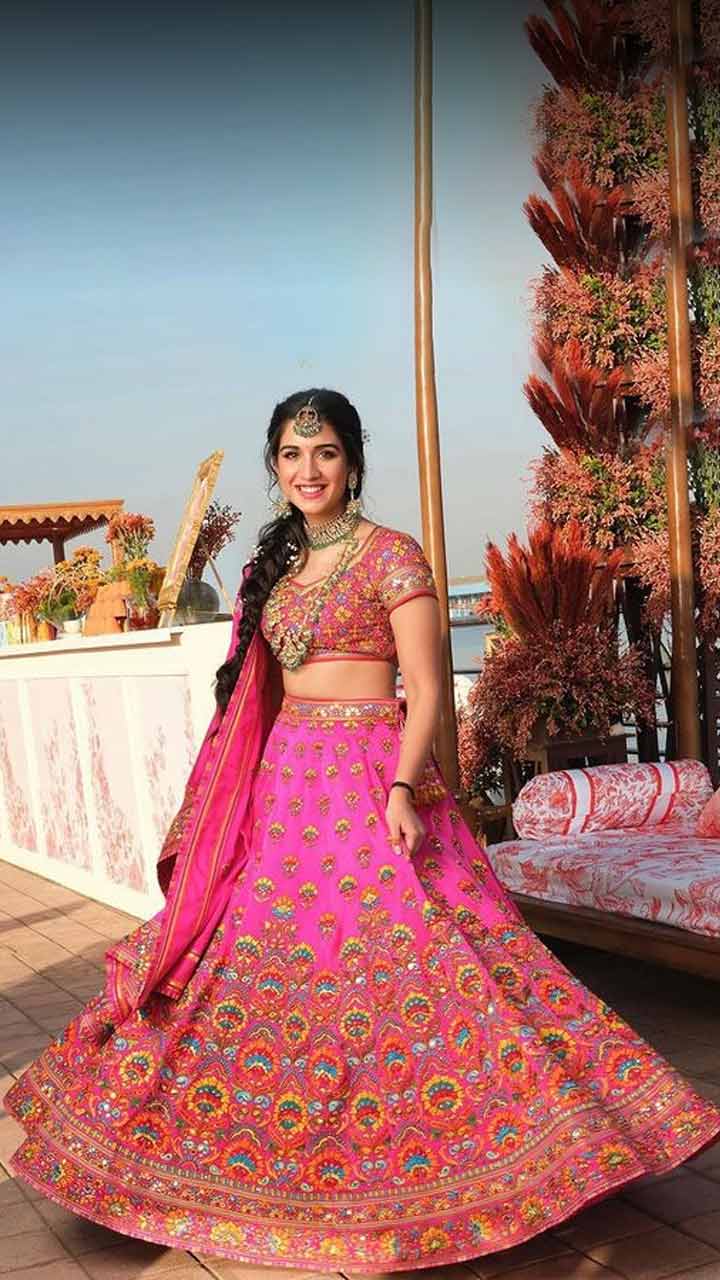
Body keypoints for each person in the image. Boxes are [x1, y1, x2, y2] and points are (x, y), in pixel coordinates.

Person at [4, 388, 720, 1273]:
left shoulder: (392, 556)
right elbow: (259, 693)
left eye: (326, 453)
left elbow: (426, 685)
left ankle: (522, 1147)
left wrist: (402, 787)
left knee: (430, 965)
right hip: (283, 790)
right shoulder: (275, 568)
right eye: (292, 455)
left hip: (372, 778)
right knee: (253, 966)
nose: (308, 471)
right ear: (275, 466)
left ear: (352, 462)